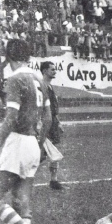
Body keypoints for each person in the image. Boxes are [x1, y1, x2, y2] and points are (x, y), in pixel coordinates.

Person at [0, 39, 50, 224]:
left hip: (17, 143)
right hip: (33, 143)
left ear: (9, 57)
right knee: (21, 200)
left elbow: (11, 117)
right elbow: (48, 117)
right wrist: (40, 142)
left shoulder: (15, 79)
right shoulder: (39, 80)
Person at [40, 61, 65, 190]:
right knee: (41, 153)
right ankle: (21, 177)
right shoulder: (42, 86)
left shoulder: (49, 86)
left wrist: (58, 122)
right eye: (52, 69)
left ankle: (54, 180)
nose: (55, 71)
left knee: (53, 150)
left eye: (55, 69)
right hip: (45, 123)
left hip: (52, 123)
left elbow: (53, 109)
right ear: (44, 71)